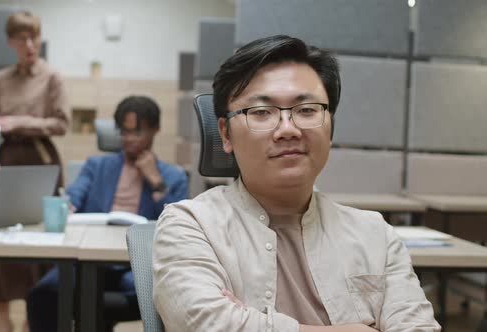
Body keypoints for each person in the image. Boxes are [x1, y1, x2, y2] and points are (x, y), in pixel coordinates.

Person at [153, 35, 441, 332]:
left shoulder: (375, 235)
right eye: (261, 112)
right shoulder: (191, 224)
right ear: (225, 134)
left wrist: (249, 324)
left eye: (306, 110)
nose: (287, 129)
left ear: (330, 125)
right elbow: (203, 325)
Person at [26, 95, 188, 332]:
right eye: (123, 132)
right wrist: (66, 203)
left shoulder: (173, 176)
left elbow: (179, 227)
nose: (128, 139)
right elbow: (75, 194)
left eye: (137, 132)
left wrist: (155, 181)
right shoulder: (96, 166)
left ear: (155, 130)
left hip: (134, 265)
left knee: (157, 295)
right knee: (42, 295)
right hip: (88, 262)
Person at [0, 11, 69, 332]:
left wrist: (20, 122)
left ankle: (34, 313)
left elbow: (62, 124)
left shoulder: (52, 78)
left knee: (40, 237)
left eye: (34, 36)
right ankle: (2, 319)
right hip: (7, 160)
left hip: (41, 159)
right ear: (10, 42)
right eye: (22, 39)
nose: (30, 44)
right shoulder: (1, 80)